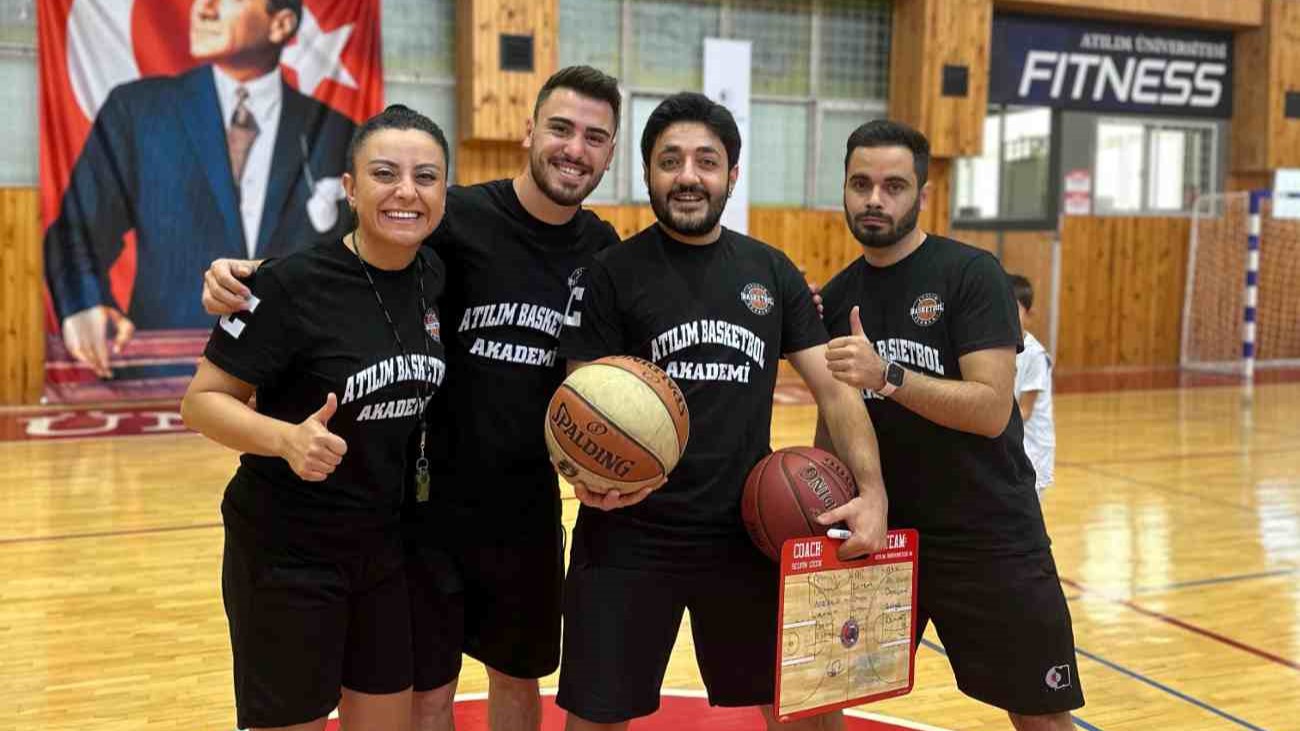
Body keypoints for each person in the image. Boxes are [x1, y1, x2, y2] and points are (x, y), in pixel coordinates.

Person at [201, 65, 624, 731]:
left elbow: (601, 377)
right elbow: (358, 250)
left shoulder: (602, 250)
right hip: (423, 508)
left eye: (595, 136)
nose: (575, 147)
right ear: (528, 131)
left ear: (610, 151)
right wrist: (249, 275)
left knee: (519, 677)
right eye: (561, 128)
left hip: (525, 504)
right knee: (427, 694)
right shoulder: (455, 219)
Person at [555, 92, 888, 731]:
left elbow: (837, 391)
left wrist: (871, 491)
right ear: (647, 173)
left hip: (748, 529)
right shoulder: (609, 275)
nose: (687, 176)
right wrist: (589, 479)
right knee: (595, 717)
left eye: (706, 162)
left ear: (731, 175)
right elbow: (579, 405)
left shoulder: (772, 272)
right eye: (670, 160)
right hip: (628, 536)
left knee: (808, 706)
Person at [180, 104, 449, 731]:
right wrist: (285, 439)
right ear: (351, 190)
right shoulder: (288, 286)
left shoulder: (434, 274)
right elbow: (201, 401)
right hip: (286, 551)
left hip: (384, 548)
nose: (406, 191)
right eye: (385, 173)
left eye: (426, 176)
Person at [817, 120, 1083, 731]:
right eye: (861, 184)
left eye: (893, 185)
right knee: (818, 691)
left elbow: (992, 410)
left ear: (922, 194)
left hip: (987, 535)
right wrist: (822, 496)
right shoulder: (837, 297)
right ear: (845, 189)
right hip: (885, 532)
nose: (875, 200)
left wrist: (888, 375)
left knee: (1040, 714)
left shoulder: (971, 275)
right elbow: (836, 415)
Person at [46, 0, 355, 378]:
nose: (203, 9)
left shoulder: (338, 133)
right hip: (167, 382)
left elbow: (353, 264)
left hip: (295, 384)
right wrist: (83, 304)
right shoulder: (137, 111)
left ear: (281, 24)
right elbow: (75, 232)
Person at [1008, 273, 1054, 497]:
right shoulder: (1000, 349)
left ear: (1029, 314)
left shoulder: (1035, 355)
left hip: (1033, 451)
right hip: (1012, 447)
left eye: (1013, 309)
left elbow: (1025, 411)